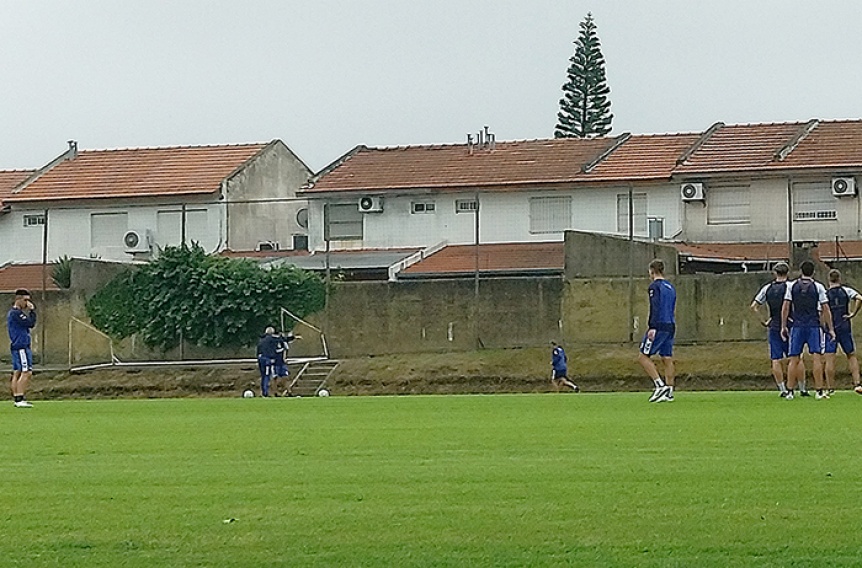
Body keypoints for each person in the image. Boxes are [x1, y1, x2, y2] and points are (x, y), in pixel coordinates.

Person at [781, 260, 835, 400]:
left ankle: (790, 391)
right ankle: (818, 391)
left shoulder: (792, 286)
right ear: (813, 272)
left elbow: (785, 307)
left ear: (800, 271)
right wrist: (830, 328)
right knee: (817, 357)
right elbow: (825, 309)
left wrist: (783, 326)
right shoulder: (818, 287)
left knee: (794, 359)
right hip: (813, 326)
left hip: (797, 326)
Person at [750, 262, 792, 397]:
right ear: (788, 272)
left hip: (774, 324)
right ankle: (799, 387)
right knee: (795, 357)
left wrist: (764, 321)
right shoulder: (791, 286)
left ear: (775, 273)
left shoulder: (767, 288)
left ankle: (782, 389)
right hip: (790, 324)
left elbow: (754, 306)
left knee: (776, 358)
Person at [638, 259, 676, 403]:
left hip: (659, 325)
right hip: (670, 324)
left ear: (652, 271)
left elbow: (655, 306)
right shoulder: (670, 287)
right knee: (667, 358)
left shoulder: (655, 286)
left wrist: (652, 326)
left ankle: (659, 386)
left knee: (643, 357)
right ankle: (670, 391)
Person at [823, 269, 862, 394]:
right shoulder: (846, 290)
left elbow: (820, 310)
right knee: (851, 355)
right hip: (845, 326)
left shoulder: (825, 294)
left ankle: (830, 388)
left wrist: (823, 325)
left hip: (831, 328)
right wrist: (853, 314)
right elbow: (859, 298)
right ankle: (857, 383)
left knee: (830, 358)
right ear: (839, 279)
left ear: (829, 280)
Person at [7, 289, 37, 408]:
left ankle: (17, 397)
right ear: (18, 299)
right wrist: (32, 311)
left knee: (17, 372)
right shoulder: (16, 313)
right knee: (27, 372)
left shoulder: (15, 313)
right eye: (25, 300)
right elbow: (30, 323)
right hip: (21, 346)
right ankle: (20, 398)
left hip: (17, 345)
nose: (27, 303)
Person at [273, 330, 301, 396]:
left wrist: (295, 337)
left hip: (282, 363)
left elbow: (287, 340)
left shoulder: (282, 340)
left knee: (285, 377)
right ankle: (276, 392)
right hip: (275, 363)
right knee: (276, 378)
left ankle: (289, 391)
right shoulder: (274, 341)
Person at [256, 327, 282, 397]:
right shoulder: (272, 339)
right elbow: (282, 340)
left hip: (260, 359)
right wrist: (293, 338)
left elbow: (258, 351)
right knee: (267, 375)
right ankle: (265, 392)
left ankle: (263, 391)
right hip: (267, 360)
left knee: (263, 375)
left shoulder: (261, 340)